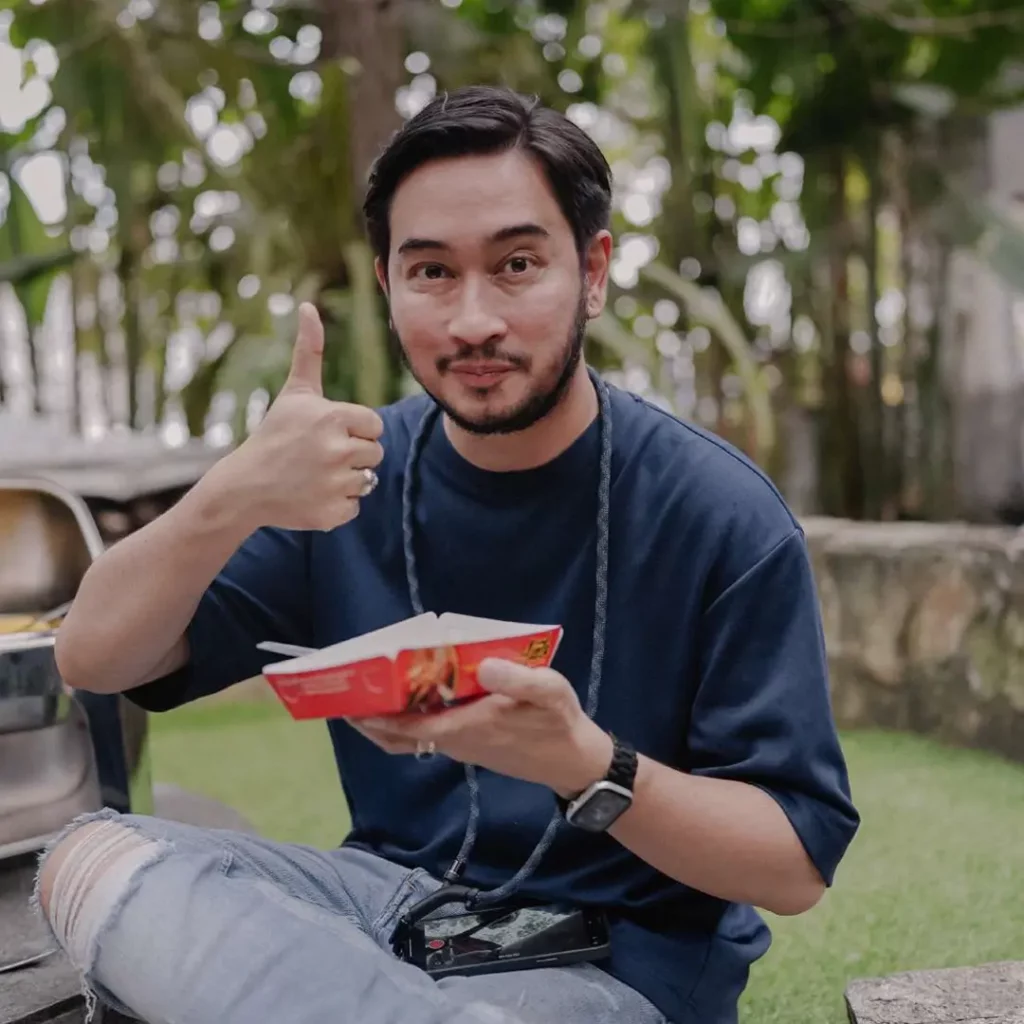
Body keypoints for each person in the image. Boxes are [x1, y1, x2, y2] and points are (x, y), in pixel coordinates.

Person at [35, 85, 859, 1024]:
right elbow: (93, 658)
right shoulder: (345, 479)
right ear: (388, 286)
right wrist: (232, 493)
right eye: (431, 271)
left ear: (592, 273)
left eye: (517, 265)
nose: (472, 321)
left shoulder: (721, 513)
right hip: (384, 909)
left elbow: (793, 866)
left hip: (614, 958)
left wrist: (583, 761)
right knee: (89, 860)